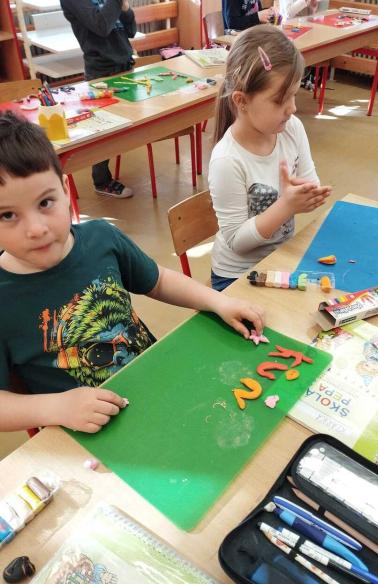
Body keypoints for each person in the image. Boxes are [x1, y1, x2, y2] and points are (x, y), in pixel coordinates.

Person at [0, 112, 265, 434]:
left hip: (159, 385)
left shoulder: (102, 238)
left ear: (65, 190)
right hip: (91, 433)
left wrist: (217, 301)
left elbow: (158, 280)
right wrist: (55, 407)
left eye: (45, 203)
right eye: (8, 215)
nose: (36, 229)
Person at [209, 25, 332, 292]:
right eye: (280, 100)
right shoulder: (227, 160)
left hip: (280, 260)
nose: (293, 108)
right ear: (242, 101)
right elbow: (237, 242)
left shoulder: (291, 128)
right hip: (236, 277)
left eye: (294, 95)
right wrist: (286, 205)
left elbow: (310, 184)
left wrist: (306, 194)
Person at [59, 0, 136, 199]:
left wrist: (125, 5)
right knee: (104, 132)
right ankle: (101, 181)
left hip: (126, 65)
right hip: (102, 72)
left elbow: (130, 30)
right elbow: (101, 26)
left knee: (127, 126)